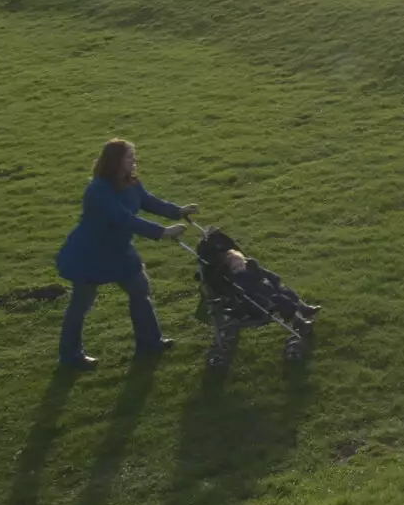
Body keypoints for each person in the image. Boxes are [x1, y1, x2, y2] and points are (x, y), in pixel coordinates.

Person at [54, 139, 197, 370]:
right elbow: (124, 219)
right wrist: (162, 233)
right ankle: (70, 355)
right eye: (129, 157)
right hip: (89, 254)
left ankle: (150, 343)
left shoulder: (130, 182)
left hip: (119, 251)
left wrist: (177, 211)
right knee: (81, 304)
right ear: (115, 161)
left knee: (140, 291)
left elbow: (148, 201)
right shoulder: (98, 190)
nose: (134, 161)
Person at [218, 248, 321, 325]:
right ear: (231, 270)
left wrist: (275, 278)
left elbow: (266, 274)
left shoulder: (252, 268)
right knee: (284, 301)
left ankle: (304, 308)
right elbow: (249, 294)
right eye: (235, 268)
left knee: (288, 293)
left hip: (270, 289)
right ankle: (299, 321)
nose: (239, 269)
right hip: (263, 301)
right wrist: (265, 301)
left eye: (241, 265)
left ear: (244, 262)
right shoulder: (238, 280)